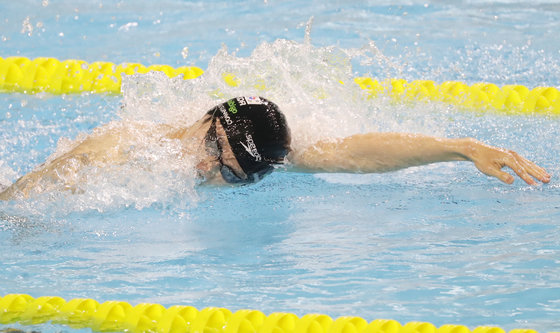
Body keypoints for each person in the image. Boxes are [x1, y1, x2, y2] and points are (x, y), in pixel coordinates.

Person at [0, 96, 551, 200]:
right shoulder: (122, 149)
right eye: (212, 145)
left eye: (230, 172)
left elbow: (356, 153)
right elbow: (25, 194)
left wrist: (459, 148)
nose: (203, 166)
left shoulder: (278, 155)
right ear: (205, 119)